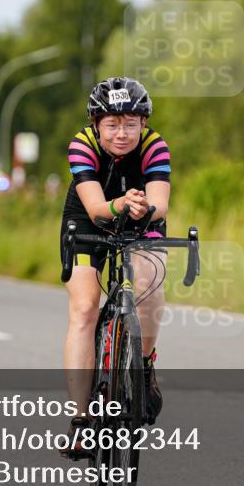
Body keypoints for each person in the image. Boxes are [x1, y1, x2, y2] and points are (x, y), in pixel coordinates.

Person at [59, 77, 171, 458]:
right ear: (96, 124)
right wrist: (120, 203)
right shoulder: (82, 145)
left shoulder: (154, 146)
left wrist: (143, 208)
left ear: (143, 123)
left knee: (149, 283)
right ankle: (80, 419)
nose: (121, 133)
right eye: (112, 124)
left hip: (142, 216)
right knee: (85, 308)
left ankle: (143, 365)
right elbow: (95, 209)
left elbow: (161, 203)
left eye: (130, 124)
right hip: (89, 220)